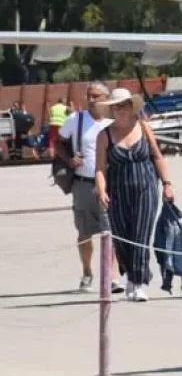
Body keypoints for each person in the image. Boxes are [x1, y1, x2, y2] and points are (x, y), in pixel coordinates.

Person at [94, 88, 174, 303]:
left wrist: (167, 184)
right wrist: (101, 190)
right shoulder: (104, 135)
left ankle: (137, 283)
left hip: (145, 188)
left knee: (140, 235)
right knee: (121, 236)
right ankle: (130, 273)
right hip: (117, 191)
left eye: (125, 105)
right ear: (112, 109)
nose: (121, 109)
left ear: (132, 107)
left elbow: (157, 157)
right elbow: (100, 168)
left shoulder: (143, 127)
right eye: (117, 106)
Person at [58, 82, 120, 294]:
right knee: (84, 232)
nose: (92, 100)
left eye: (96, 96)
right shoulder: (76, 119)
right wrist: (69, 158)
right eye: (89, 96)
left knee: (110, 230)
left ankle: (112, 276)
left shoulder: (114, 120)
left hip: (110, 185)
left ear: (106, 97)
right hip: (83, 183)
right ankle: (87, 272)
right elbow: (58, 142)